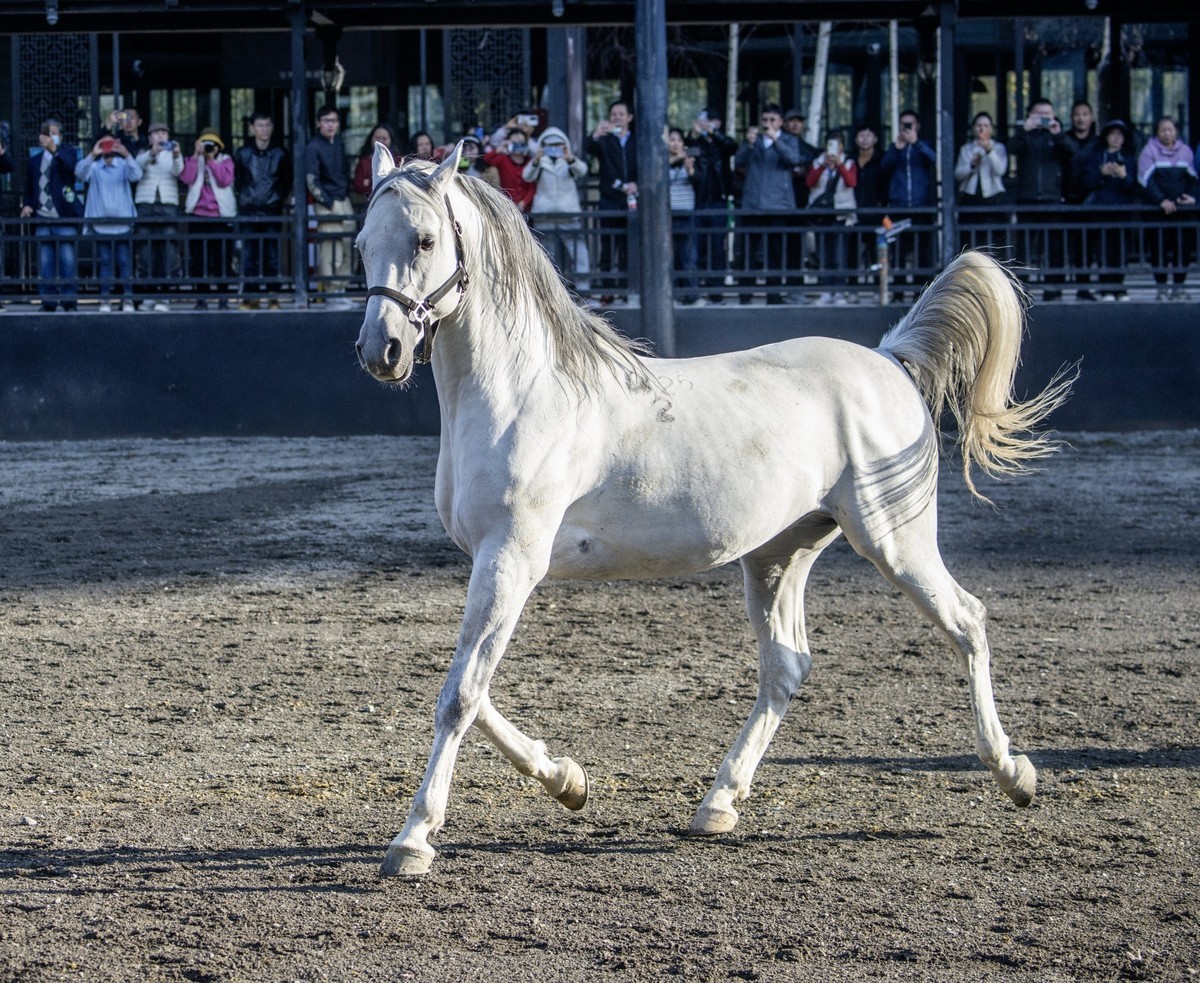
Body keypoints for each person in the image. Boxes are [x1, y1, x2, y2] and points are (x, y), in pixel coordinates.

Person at [734, 103, 800, 304]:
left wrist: (776, 139)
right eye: (765, 120)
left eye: (772, 120)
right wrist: (749, 143)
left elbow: (793, 159)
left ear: (780, 122)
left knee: (775, 253)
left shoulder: (788, 140)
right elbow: (738, 161)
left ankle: (774, 294)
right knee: (748, 252)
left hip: (777, 205)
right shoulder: (753, 141)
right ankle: (745, 294)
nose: (768, 124)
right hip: (753, 206)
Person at [19, 119, 83, 312]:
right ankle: (47, 301)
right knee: (45, 262)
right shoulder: (34, 161)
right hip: (42, 218)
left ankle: (69, 300)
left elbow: (72, 170)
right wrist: (28, 205)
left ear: (59, 136)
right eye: (45, 133)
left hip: (63, 217)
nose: (48, 137)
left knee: (67, 260)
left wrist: (55, 150)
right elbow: (30, 189)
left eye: (52, 133)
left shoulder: (68, 154)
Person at [76, 135, 143, 312]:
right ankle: (105, 300)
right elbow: (79, 173)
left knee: (124, 261)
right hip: (101, 223)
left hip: (123, 223)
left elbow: (137, 174)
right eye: (104, 146)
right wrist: (92, 154)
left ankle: (127, 299)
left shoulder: (123, 166)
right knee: (105, 262)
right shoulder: (95, 167)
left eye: (110, 146)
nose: (107, 150)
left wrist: (126, 154)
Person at [1010, 98, 1067, 300]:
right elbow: (1012, 148)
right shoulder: (1025, 136)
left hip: (1051, 199)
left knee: (1053, 246)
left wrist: (1058, 134)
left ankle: (1053, 289)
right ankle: (1021, 291)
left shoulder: (1057, 136)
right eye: (1038, 114)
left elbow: (1071, 153)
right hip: (1027, 199)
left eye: (1047, 114)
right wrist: (1025, 130)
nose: (1043, 118)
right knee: (1025, 247)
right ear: (1030, 116)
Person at [522, 125, 589, 293]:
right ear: (543, 147)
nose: (554, 149)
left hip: (569, 214)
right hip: (545, 215)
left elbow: (583, 171)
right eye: (550, 146)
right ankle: (550, 292)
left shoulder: (569, 162)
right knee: (547, 256)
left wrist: (569, 158)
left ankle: (584, 289)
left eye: (558, 145)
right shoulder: (539, 163)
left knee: (579, 253)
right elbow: (527, 175)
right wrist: (536, 160)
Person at [1138, 116, 1197, 301]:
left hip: (1181, 212)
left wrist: (1190, 197)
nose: (1167, 133)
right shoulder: (1149, 151)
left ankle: (1178, 287)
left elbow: (1193, 179)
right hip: (1158, 213)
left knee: (1183, 250)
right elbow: (1146, 181)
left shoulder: (1186, 152)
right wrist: (1161, 200)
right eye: (1163, 130)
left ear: (1176, 131)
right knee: (1159, 250)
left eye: (1170, 129)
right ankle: (1161, 288)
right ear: (1157, 132)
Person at [235, 112, 290, 309]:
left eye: (267, 125)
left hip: (272, 210)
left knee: (272, 255)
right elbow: (238, 181)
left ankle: (273, 297)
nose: (264, 129)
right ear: (252, 128)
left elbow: (286, 181)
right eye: (260, 125)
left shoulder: (280, 153)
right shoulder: (243, 153)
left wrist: (276, 199)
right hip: (249, 211)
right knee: (249, 256)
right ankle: (250, 297)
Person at [880, 108, 936, 299]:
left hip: (921, 205)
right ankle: (898, 292)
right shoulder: (894, 148)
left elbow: (934, 159)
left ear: (917, 126)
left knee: (921, 252)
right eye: (904, 125)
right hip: (899, 206)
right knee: (899, 252)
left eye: (910, 125)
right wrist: (897, 148)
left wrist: (916, 143)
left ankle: (920, 294)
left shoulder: (924, 145)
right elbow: (884, 166)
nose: (907, 128)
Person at [586, 99, 638, 301]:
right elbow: (588, 150)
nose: (617, 117)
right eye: (613, 114)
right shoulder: (605, 140)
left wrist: (637, 183)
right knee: (607, 245)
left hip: (631, 198)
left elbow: (645, 166)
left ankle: (626, 289)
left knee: (627, 246)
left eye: (621, 114)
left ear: (629, 118)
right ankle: (607, 289)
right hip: (609, 198)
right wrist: (596, 134)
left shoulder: (636, 141)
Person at [305, 105, 355, 309]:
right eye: (326, 120)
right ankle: (331, 293)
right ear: (318, 123)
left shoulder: (340, 144)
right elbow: (311, 180)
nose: (330, 124)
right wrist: (328, 201)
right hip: (328, 203)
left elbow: (344, 171)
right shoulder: (313, 147)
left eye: (333, 121)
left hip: (343, 199)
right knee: (330, 249)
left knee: (347, 247)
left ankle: (342, 289)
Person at [181, 127, 236, 310]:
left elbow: (224, 180)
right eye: (205, 143)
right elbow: (187, 178)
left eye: (212, 144)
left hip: (220, 217)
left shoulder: (225, 160)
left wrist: (211, 160)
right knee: (199, 260)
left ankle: (223, 297)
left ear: (219, 146)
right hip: (198, 217)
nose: (209, 147)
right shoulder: (193, 160)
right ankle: (201, 297)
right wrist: (197, 156)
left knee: (222, 259)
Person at [686, 108, 738, 303]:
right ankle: (696, 291)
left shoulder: (721, 143)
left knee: (718, 248)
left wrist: (713, 133)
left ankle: (716, 293)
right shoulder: (696, 142)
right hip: (699, 202)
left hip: (719, 200)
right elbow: (688, 150)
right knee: (698, 250)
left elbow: (732, 147)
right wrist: (694, 134)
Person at [1082, 119, 1137, 301]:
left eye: (1120, 135)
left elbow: (1133, 186)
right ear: (1106, 137)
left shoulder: (1129, 158)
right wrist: (1102, 173)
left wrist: (1123, 176)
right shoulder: (1097, 156)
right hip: (1101, 209)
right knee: (1103, 249)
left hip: (1121, 210)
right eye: (1112, 134)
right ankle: (1105, 287)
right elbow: (1088, 182)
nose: (1116, 138)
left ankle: (1119, 286)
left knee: (1121, 249)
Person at [133, 122, 184, 312]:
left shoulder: (174, 154)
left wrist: (177, 155)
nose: (161, 136)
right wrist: (152, 153)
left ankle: (165, 295)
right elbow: (136, 169)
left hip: (168, 205)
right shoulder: (142, 153)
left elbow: (179, 172)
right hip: (146, 204)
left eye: (164, 133)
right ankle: (148, 294)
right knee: (146, 250)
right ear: (150, 137)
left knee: (168, 250)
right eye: (156, 133)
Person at [805, 131, 857, 305]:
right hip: (822, 215)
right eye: (830, 144)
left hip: (842, 215)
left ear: (842, 146)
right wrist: (822, 165)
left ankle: (840, 292)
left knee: (839, 255)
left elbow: (851, 182)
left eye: (837, 145)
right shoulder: (817, 162)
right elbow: (810, 182)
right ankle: (826, 291)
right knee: (824, 255)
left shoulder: (849, 163)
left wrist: (840, 165)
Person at [1062, 101, 1102, 300]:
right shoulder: (1064, 139)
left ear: (1092, 117)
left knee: (1087, 246)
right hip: (1066, 200)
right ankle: (1055, 288)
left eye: (1085, 114)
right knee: (1064, 245)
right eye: (1077, 114)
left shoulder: (1098, 142)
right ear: (1071, 117)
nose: (1081, 118)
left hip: (1091, 201)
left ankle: (1084, 287)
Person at [954, 111, 1008, 251]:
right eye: (979, 125)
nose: (982, 129)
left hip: (993, 198)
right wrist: (971, 166)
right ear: (973, 128)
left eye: (985, 125)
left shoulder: (998, 147)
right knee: (969, 241)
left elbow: (1000, 170)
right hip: (970, 197)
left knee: (995, 241)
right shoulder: (966, 149)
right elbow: (958, 174)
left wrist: (989, 151)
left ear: (991, 129)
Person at [666, 127, 700, 304]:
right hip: (668, 216)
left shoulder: (689, 161)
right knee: (670, 257)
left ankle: (691, 293)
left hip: (686, 214)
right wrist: (674, 160)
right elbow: (659, 180)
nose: (675, 143)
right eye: (672, 140)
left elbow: (700, 183)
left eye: (679, 140)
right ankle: (673, 293)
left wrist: (690, 169)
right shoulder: (663, 163)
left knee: (688, 257)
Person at [482, 130, 537, 214]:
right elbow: (485, 160)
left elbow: (532, 187)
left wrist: (524, 202)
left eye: (521, 143)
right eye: (514, 143)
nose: (518, 145)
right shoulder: (503, 159)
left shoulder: (530, 161)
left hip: (527, 210)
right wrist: (498, 149)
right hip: (507, 209)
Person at [783, 108, 820, 206]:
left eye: (799, 120)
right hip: (781, 195)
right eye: (791, 120)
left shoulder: (811, 150)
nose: (795, 124)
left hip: (804, 195)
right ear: (783, 123)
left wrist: (805, 172)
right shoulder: (776, 146)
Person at [353, 123, 398, 199]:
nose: (380, 141)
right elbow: (358, 186)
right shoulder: (364, 161)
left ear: (391, 140)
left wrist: (369, 182)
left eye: (384, 138)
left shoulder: (398, 160)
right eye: (377, 138)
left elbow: (399, 185)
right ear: (371, 139)